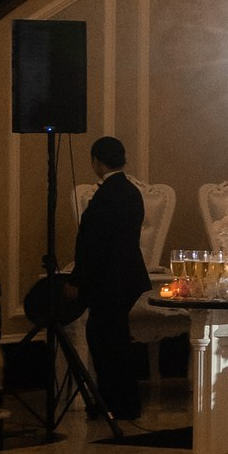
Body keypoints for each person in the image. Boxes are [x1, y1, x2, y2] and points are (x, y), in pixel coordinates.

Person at [72, 136, 152, 421]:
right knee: (115, 341)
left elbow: (93, 244)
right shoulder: (131, 191)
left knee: (106, 344)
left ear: (96, 161)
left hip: (108, 281)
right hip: (127, 277)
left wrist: (77, 279)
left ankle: (116, 404)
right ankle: (121, 403)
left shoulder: (106, 195)